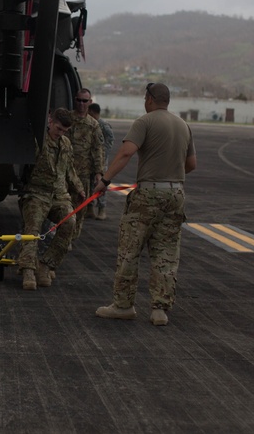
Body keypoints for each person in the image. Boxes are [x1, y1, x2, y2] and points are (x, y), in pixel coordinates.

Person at [92, 82, 197, 326]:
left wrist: (105, 180)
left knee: (130, 249)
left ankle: (123, 305)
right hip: (176, 194)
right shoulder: (183, 125)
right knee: (166, 253)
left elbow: (127, 152)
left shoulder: (144, 122)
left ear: (149, 99)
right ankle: (160, 309)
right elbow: (191, 165)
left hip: (148, 194)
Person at [18, 108, 85, 290]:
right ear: (50, 121)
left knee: (69, 223)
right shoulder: (36, 141)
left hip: (59, 195)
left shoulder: (66, 144)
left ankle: (46, 264)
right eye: (58, 128)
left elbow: (69, 170)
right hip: (37, 193)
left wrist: (79, 188)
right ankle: (28, 270)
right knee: (32, 229)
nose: (60, 133)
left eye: (64, 131)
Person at [67, 87, 105, 237]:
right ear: (75, 100)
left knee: (80, 207)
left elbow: (98, 149)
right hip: (65, 171)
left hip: (83, 173)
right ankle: (63, 236)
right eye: (79, 100)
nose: (81, 104)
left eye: (85, 101)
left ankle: (73, 236)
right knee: (63, 205)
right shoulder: (67, 120)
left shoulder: (93, 125)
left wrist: (98, 173)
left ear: (90, 102)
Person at [89, 102, 114, 220]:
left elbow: (110, 139)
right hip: (91, 158)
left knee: (101, 183)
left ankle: (101, 208)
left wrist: (104, 154)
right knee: (90, 183)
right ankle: (89, 208)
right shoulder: (92, 124)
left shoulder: (103, 125)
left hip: (101, 158)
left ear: (93, 112)